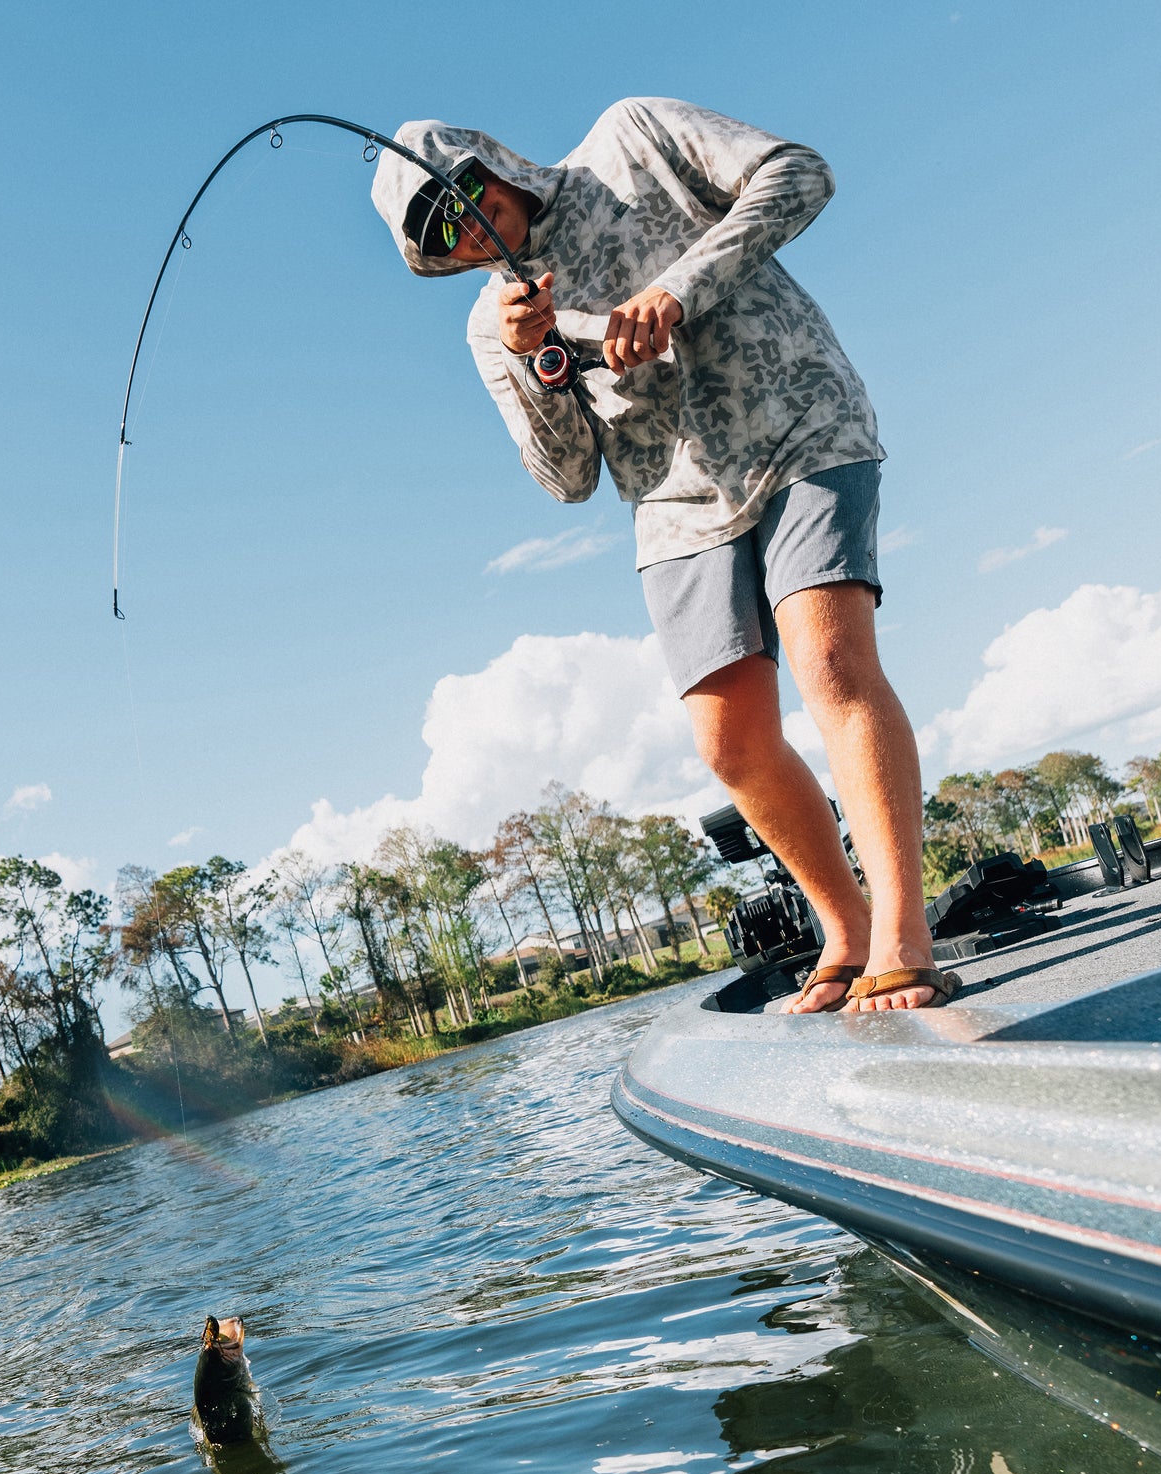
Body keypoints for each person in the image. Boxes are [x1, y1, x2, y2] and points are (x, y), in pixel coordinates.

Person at [372, 100, 956, 1013]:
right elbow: (566, 478)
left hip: (799, 421)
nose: (467, 228)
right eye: (440, 235)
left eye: (464, 196)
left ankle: (903, 935)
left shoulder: (630, 138)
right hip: (674, 505)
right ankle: (843, 925)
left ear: (491, 161)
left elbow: (801, 172)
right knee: (730, 742)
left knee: (831, 661)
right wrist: (532, 364)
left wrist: (677, 289)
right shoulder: (494, 327)